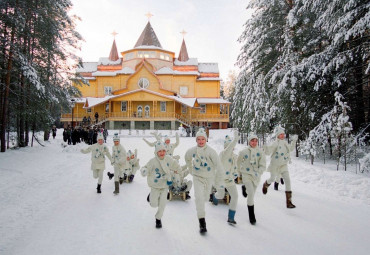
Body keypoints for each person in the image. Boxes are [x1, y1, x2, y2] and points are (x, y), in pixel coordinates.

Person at [184, 128, 224, 234]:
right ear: (196, 140)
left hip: (209, 178)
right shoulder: (192, 151)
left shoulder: (211, 152)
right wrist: (190, 168)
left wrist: (219, 182)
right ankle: (202, 223)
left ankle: (208, 197)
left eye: (203, 139)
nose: (201, 141)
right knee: (199, 198)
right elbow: (187, 157)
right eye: (199, 139)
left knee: (205, 198)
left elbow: (219, 166)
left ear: (206, 140)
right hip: (197, 177)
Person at [140, 141, 179, 229]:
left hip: (165, 186)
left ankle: (158, 219)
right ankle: (151, 197)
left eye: (163, 151)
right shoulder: (152, 161)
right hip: (155, 186)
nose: (162, 153)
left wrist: (177, 170)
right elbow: (145, 167)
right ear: (156, 152)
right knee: (153, 204)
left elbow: (175, 164)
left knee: (163, 204)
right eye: (159, 151)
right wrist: (144, 170)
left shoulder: (168, 159)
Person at [262, 126, 298, 208]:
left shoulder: (285, 143)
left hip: (283, 165)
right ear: (278, 135)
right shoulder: (275, 143)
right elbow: (269, 151)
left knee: (288, 180)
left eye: (283, 134)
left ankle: (289, 202)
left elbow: (291, 149)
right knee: (272, 178)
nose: (282, 135)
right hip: (275, 165)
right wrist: (266, 148)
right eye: (281, 134)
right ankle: (266, 184)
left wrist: (294, 141)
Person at [237, 133, 266, 225]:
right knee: (251, 195)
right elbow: (238, 163)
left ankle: (244, 188)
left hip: (256, 176)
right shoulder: (244, 152)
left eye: (256, 141)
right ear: (249, 141)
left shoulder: (260, 152)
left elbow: (263, 165)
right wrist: (239, 173)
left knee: (251, 193)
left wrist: (259, 172)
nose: (254, 142)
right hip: (246, 175)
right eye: (252, 140)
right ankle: (251, 216)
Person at [214, 130, 240, 224]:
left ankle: (231, 217)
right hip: (220, 180)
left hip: (229, 180)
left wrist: (236, 173)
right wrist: (235, 139)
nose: (231, 149)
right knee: (221, 195)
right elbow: (229, 149)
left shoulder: (234, 156)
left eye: (232, 147)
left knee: (235, 196)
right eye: (229, 146)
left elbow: (236, 167)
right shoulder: (223, 154)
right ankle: (215, 196)